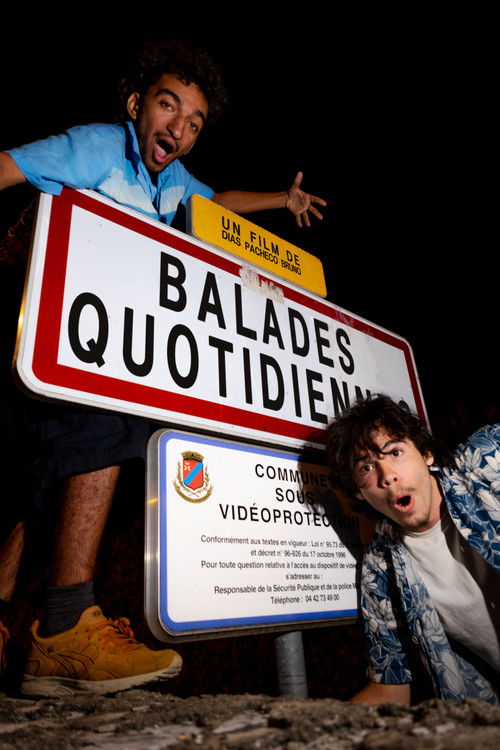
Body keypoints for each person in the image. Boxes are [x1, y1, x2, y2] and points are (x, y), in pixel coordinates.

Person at [0, 39, 326, 697]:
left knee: (46, 485)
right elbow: (9, 166)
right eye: (168, 106)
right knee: (107, 425)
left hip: (95, 353)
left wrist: (279, 202)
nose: (179, 128)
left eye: (195, 122)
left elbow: (216, 204)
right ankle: (65, 624)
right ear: (135, 105)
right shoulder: (98, 147)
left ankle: (13, 624)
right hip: (39, 328)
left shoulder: (172, 183)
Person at [326, 394, 499, 705]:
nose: (387, 476)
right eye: (366, 467)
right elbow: (390, 690)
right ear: (359, 492)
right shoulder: (380, 569)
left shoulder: (486, 459)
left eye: (395, 452)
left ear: (426, 454)